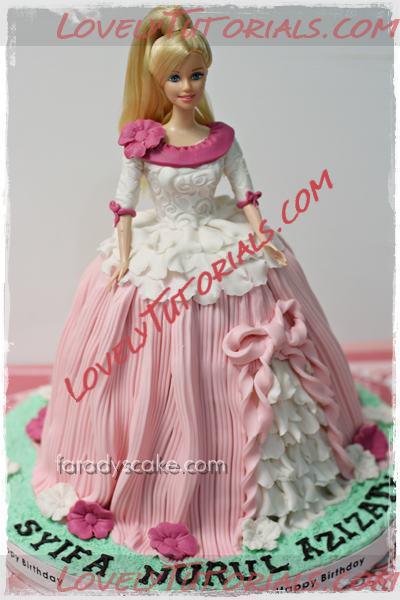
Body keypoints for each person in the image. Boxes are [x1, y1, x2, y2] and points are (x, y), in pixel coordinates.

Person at [32, 5, 366, 558]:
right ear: (157, 80)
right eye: (175, 77)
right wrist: (123, 257)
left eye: (197, 74)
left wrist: (262, 237)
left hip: (220, 237)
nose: (187, 86)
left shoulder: (224, 140)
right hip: (160, 248)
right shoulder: (143, 142)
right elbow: (124, 208)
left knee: (251, 298)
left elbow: (246, 195)